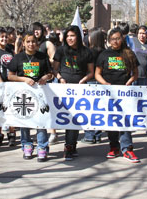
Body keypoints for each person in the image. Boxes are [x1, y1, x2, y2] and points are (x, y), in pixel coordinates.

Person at [95, 28, 140, 163]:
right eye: (113, 39)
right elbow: (97, 73)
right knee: (112, 121)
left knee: (125, 121)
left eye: (118, 38)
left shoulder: (129, 53)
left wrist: (130, 81)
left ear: (122, 39)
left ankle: (127, 149)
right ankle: (114, 146)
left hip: (125, 93)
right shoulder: (104, 54)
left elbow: (136, 73)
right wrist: (105, 83)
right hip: (109, 93)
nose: (116, 41)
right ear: (109, 41)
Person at [8, 32, 54, 162]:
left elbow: (51, 74)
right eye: (28, 41)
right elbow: (10, 76)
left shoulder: (42, 57)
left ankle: (42, 146)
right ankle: (26, 145)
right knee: (25, 120)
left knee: (41, 121)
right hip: (24, 94)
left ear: (37, 43)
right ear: (23, 43)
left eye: (33, 41)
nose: (31, 44)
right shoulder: (18, 57)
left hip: (40, 93)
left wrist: (46, 77)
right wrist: (23, 79)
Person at [53, 25, 94, 161]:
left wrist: (84, 80)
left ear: (78, 36)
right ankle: (69, 145)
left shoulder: (86, 52)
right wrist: (60, 78)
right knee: (65, 117)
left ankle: (70, 146)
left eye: (73, 36)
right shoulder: (61, 51)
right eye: (68, 36)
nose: (70, 38)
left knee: (75, 118)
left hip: (80, 89)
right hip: (63, 89)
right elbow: (54, 69)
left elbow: (91, 72)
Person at [29, 22, 58, 144]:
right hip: (31, 80)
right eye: (34, 29)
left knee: (47, 107)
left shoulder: (47, 44)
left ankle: (52, 133)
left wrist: (43, 62)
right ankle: (39, 133)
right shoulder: (28, 43)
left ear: (43, 31)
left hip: (46, 80)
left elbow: (54, 60)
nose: (36, 32)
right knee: (36, 107)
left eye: (38, 30)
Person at [81, 28, 106, 144]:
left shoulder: (88, 52)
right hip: (102, 83)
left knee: (88, 109)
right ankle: (98, 135)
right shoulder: (106, 52)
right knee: (99, 110)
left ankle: (89, 136)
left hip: (90, 82)